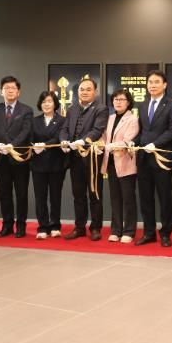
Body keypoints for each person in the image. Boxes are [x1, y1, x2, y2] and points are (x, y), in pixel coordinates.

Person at [135, 70, 172, 246]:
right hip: (143, 159)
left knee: (164, 198)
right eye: (150, 82)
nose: (152, 85)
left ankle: (166, 234)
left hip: (162, 157)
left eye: (156, 82)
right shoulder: (143, 105)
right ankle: (149, 233)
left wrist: (155, 144)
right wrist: (132, 142)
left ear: (164, 85)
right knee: (145, 198)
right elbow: (142, 131)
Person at [59, 78, 108, 241]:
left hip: (92, 158)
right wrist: (63, 140)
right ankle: (79, 227)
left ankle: (95, 228)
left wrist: (83, 141)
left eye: (88, 89)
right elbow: (65, 128)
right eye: (82, 89)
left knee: (95, 194)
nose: (84, 92)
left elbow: (97, 130)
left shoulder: (101, 109)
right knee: (78, 195)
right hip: (74, 159)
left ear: (95, 92)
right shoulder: (72, 109)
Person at [0, 76, 33, 238]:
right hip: (1, 159)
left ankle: (21, 226)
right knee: (4, 194)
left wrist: (12, 145)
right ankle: (7, 225)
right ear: (1, 91)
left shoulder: (26, 110)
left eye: (13, 88)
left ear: (18, 92)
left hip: (19, 158)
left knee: (21, 194)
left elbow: (26, 131)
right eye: (6, 88)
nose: (10, 90)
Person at [102, 89, 139, 243]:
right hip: (111, 162)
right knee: (115, 198)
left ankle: (129, 231)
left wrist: (111, 145)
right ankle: (116, 230)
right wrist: (100, 145)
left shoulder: (133, 119)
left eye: (122, 99)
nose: (118, 102)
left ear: (128, 102)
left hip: (125, 163)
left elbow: (128, 140)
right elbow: (104, 137)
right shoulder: (110, 118)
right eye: (116, 99)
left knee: (128, 198)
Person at [30, 91, 66, 239]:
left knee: (55, 196)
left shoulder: (62, 120)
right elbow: (30, 137)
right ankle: (42, 227)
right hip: (38, 164)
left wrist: (44, 145)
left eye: (49, 101)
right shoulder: (34, 121)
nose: (46, 104)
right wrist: (34, 145)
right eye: (44, 101)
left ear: (55, 103)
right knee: (40, 197)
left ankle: (55, 225)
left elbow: (59, 137)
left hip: (56, 164)